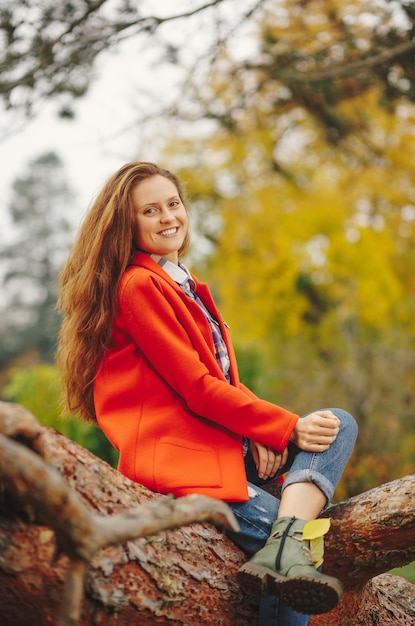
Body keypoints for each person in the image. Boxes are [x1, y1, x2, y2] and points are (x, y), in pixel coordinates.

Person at [57, 161, 358, 626]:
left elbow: (220, 380)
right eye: (150, 210)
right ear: (126, 223)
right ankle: (287, 545)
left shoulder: (179, 283)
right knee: (301, 559)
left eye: (173, 204)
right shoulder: (138, 286)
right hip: (181, 467)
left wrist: (263, 429)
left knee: (338, 423)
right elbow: (198, 390)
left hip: (218, 448)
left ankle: (285, 541)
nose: (167, 217)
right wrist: (285, 426)